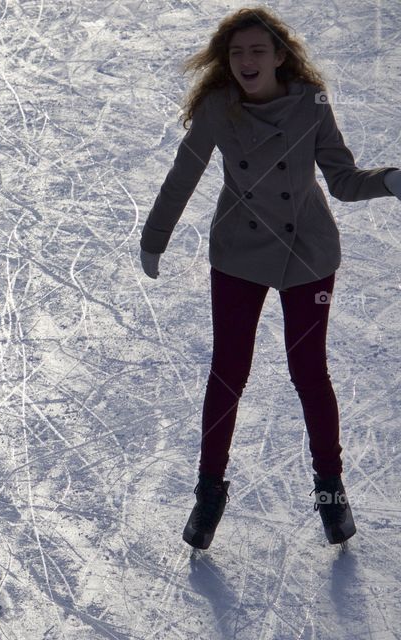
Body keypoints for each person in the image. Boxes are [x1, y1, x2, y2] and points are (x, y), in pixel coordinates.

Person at [139, 7, 401, 550]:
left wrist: (392, 180)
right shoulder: (218, 108)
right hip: (238, 254)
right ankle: (209, 492)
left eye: (258, 51)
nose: (246, 61)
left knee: (309, 372)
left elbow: (345, 182)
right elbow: (183, 174)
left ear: (280, 56)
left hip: (307, 256)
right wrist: (155, 236)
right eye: (236, 53)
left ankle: (331, 491)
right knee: (228, 372)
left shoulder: (311, 104)